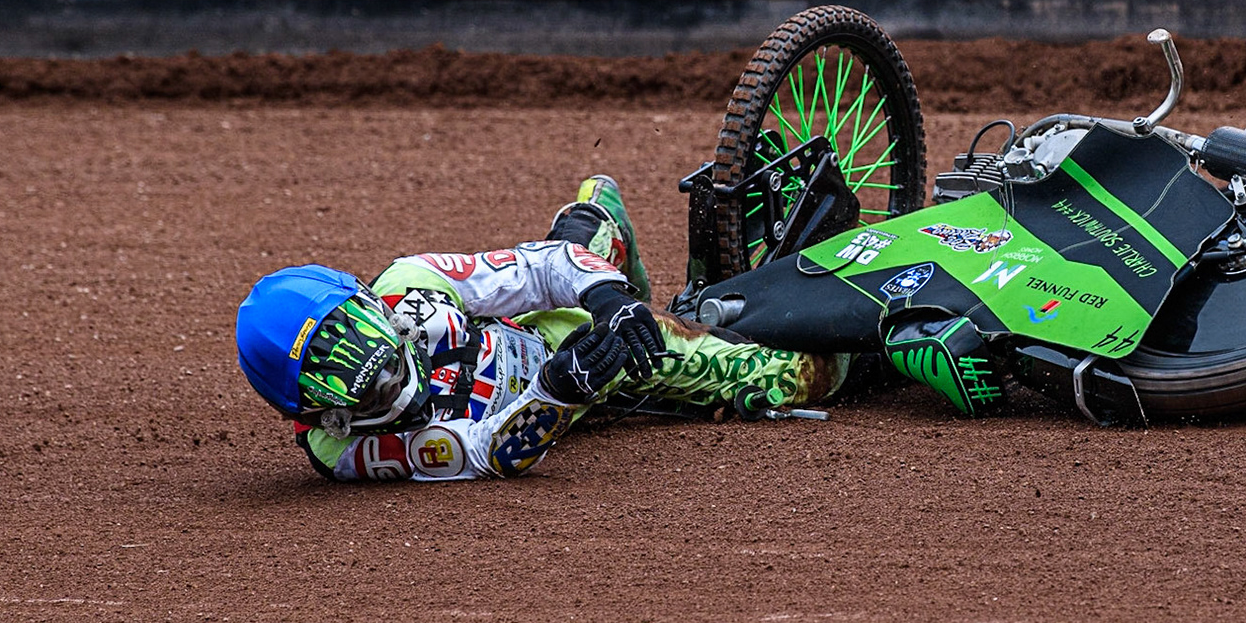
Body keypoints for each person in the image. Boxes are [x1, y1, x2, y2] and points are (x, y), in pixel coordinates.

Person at [234, 176, 845, 483]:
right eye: (363, 390)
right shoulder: (343, 453)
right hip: (577, 382)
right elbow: (485, 455)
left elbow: (540, 268)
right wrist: (561, 388)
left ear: (368, 302)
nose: (392, 381)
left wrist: (609, 299)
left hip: (535, 324)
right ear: (316, 412)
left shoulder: (410, 280)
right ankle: (867, 352)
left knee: (580, 235)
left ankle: (602, 231)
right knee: (800, 376)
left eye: (380, 353)